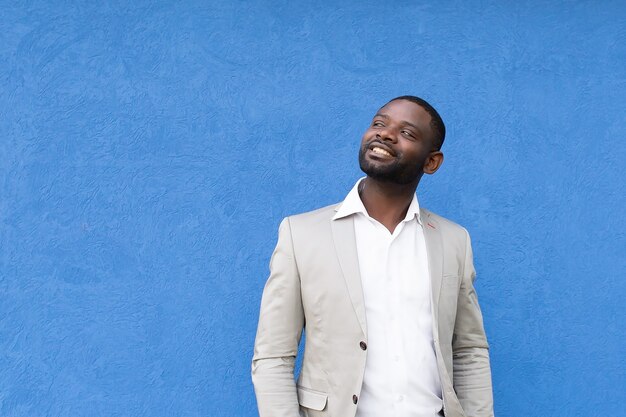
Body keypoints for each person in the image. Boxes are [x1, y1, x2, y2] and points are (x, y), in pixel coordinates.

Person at [251, 96, 494, 417]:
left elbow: (469, 351)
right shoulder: (301, 234)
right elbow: (273, 356)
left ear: (431, 162)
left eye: (407, 133)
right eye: (379, 123)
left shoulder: (453, 240)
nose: (385, 134)